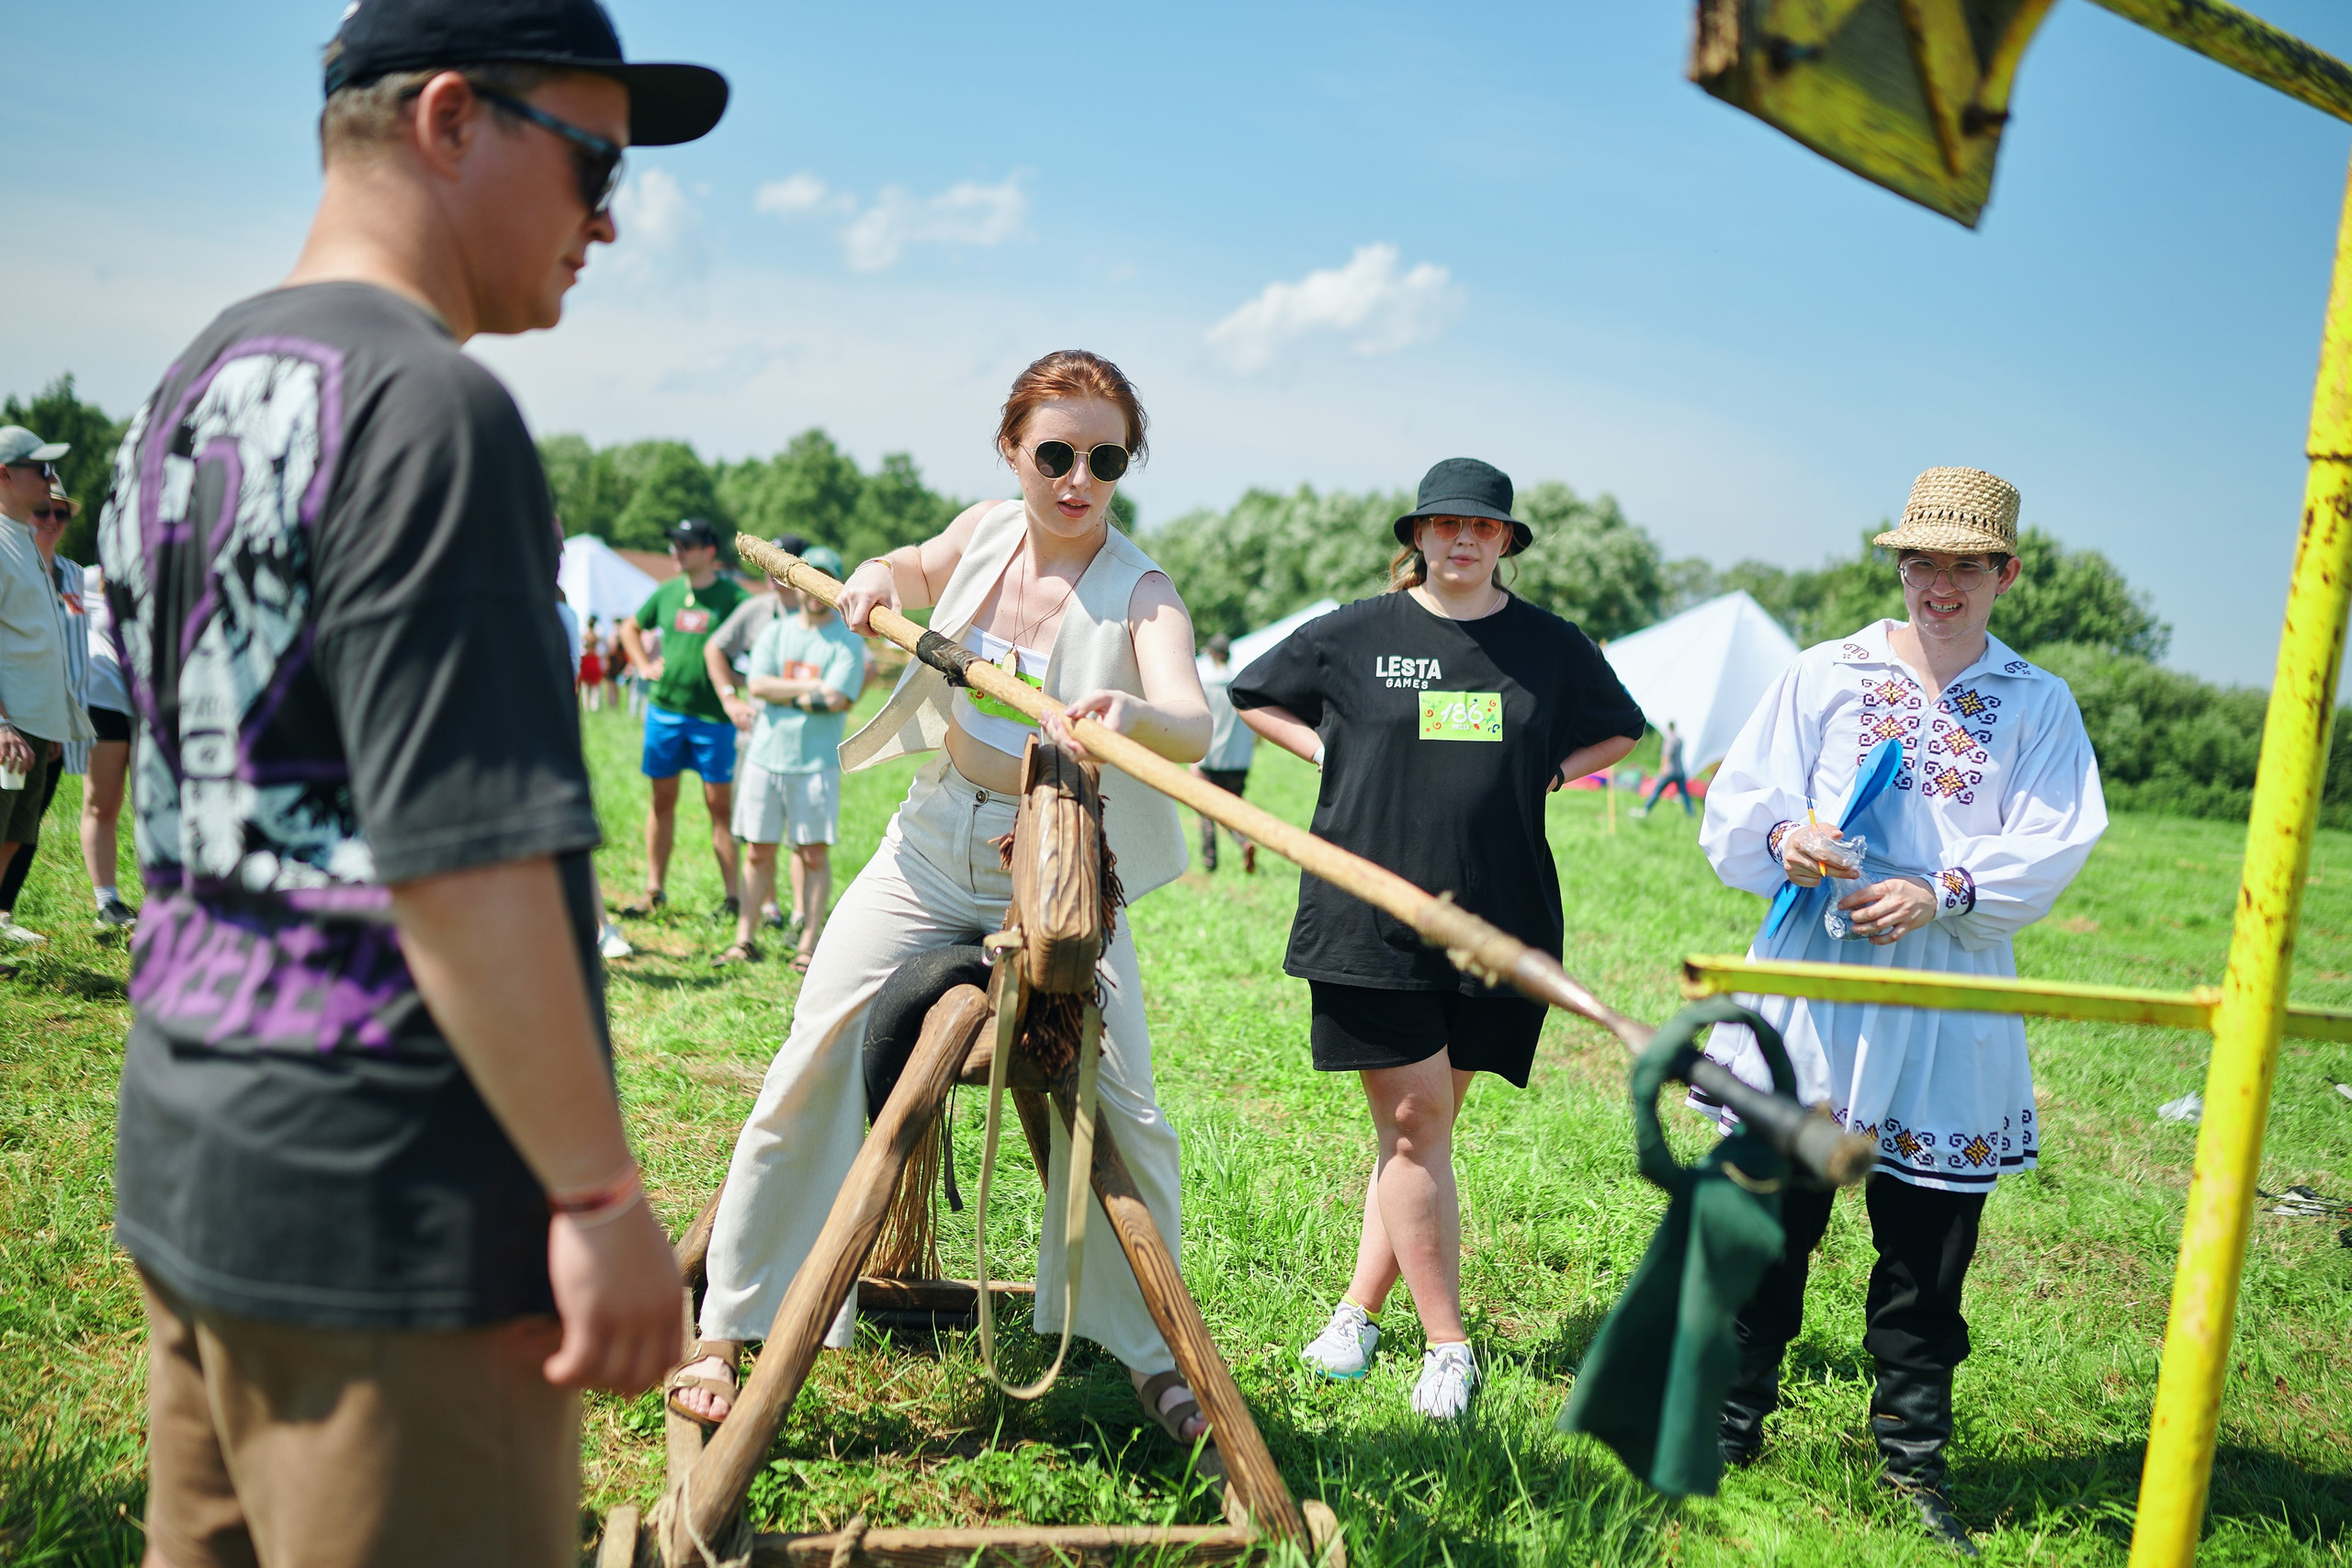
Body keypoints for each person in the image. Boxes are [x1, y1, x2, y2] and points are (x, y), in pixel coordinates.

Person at [96, 6, 725, 1564]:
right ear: (452, 118)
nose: (610, 214)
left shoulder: (196, 377)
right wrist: (595, 1198)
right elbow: (463, 867)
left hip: (196, 1163)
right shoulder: (430, 412)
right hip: (395, 1221)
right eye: (590, 162)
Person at [670, 352, 1221, 1466]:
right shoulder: (980, 533)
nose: (1077, 478)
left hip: (1059, 865)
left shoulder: (1141, 588)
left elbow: (1192, 720)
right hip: (928, 854)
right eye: (1054, 453)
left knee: (1129, 1115)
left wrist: (1130, 716)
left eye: (1104, 458)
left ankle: (1153, 1358)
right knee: (809, 1062)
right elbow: (900, 566)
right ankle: (734, 1326)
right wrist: (870, 578)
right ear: (1012, 450)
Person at [1698, 467, 2106, 1552]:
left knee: (1928, 1248)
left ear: (2004, 574)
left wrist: (1941, 891)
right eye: (1923, 562)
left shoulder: (2037, 701)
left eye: (1965, 565)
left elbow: (2056, 838)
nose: (1940, 585)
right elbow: (1741, 800)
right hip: (1816, 988)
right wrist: (1791, 839)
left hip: (1949, 994)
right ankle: (1729, 1432)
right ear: (1900, 566)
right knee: (1770, 1222)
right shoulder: (1825, 673)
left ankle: (1912, 1467)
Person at [1232, 457, 1644, 1421]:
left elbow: (1621, 729)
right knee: (1415, 1127)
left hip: (1499, 921)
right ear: (1415, 537)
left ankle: (1355, 1312)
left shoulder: (1549, 646)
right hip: (1367, 912)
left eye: (1483, 528)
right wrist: (1331, 748)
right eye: (1444, 525)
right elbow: (1253, 694)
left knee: (1421, 1136)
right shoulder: (1355, 633)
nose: (1462, 540)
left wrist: (1544, 771)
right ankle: (1448, 1346)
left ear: (1506, 542)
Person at [707, 545, 863, 969]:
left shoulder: (847, 642)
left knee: (812, 853)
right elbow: (757, 686)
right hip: (764, 758)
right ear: (797, 583)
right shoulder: (776, 632)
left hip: (814, 764)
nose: (815, 592)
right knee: (757, 850)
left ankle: (808, 943)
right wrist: (808, 693)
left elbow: (836, 698)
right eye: (808, 579)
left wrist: (784, 691)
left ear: (836, 585)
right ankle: (745, 937)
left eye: (825, 579)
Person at [618, 517, 745, 919]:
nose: (677, 551)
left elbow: (763, 642)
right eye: (674, 544)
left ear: (709, 551)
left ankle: (733, 898)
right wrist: (642, 664)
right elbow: (630, 628)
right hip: (665, 712)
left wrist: (741, 679)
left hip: (713, 720)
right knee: (662, 802)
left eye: (685, 545)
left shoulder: (736, 599)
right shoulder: (668, 591)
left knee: (719, 808)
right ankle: (654, 890)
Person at [0, 425, 92, 948]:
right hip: (10, 725)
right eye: (40, 468)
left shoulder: (24, 542)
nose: (50, 479)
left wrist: (51, 719)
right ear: (5, 475)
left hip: (35, 723)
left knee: (15, 837)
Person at [708, 531, 809, 932]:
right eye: (766, 562)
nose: (771, 571)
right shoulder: (755, 610)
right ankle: (768, 906)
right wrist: (730, 696)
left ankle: (802, 913)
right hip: (757, 735)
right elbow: (714, 648)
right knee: (759, 828)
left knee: (803, 833)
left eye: (780, 561)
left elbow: (861, 667)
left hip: (805, 740)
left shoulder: (820, 613)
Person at [80, 547, 140, 931]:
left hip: (158, 702)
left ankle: (171, 895)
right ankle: (109, 903)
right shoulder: (84, 578)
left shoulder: (163, 573)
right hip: (103, 702)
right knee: (102, 803)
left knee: (159, 806)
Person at [1192, 632, 1257, 872]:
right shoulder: (1244, 685)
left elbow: (1198, 721)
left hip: (1211, 759)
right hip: (1240, 760)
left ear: (1213, 655)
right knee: (1233, 808)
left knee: (1206, 810)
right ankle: (1244, 841)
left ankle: (1210, 863)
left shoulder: (1206, 686)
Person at [1634, 718, 1693, 818]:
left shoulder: (1669, 739)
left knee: (1657, 791)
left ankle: (1645, 810)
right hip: (1679, 771)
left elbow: (1666, 755)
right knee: (1684, 794)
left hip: (1669, 771)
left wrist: (1663, 769)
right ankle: (1691, 814)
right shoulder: (1679, 740)